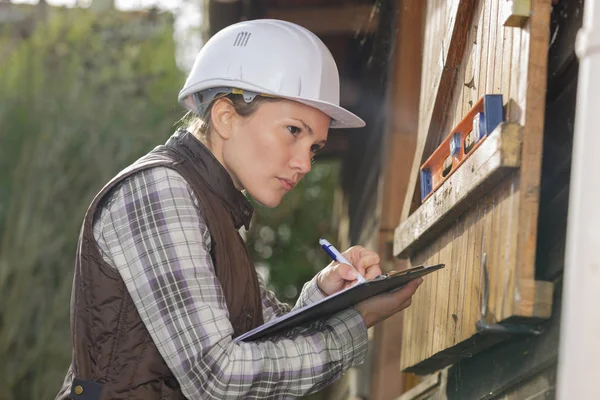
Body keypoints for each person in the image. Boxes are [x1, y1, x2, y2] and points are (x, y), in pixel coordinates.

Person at [56, 19, 423, 400]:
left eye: (314, 147)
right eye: (294, 131)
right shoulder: (159, 191)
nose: (305, 163)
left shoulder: (216, 210)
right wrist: (356, 323)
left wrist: (325, 297)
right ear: (226, 117)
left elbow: (261, 341)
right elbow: (219, 375)